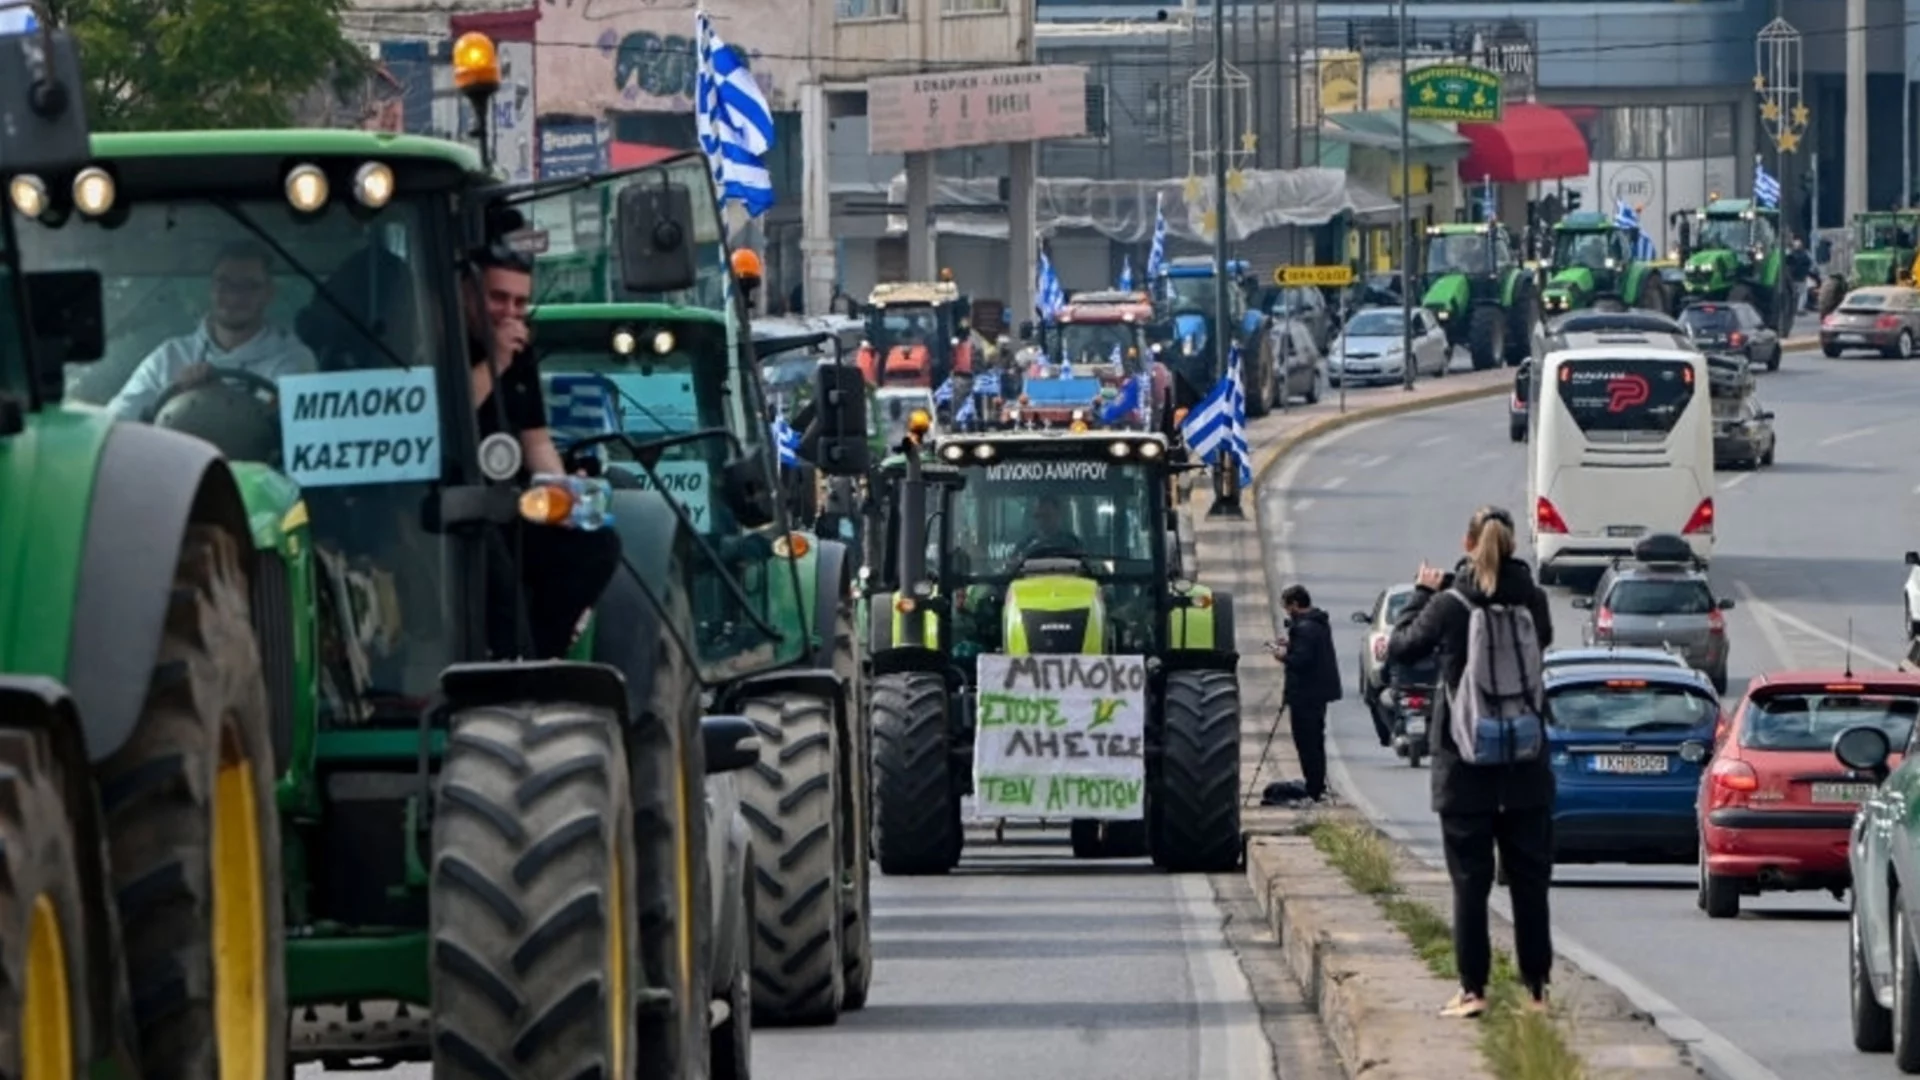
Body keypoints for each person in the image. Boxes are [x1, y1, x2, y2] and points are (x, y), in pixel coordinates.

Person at [1385, 505, 1555, 1018]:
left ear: (1468, 542)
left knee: (1470, 883)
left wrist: (1422, 592)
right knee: (1529, 883)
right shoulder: (1534, 599)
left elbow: (1400, 648)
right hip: (1525, 762)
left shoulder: (1451, 603)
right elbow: (1541, 644)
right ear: (1514, 546)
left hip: (1464, 764)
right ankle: (1536, 993)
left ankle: (1473, 990)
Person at [467, 244, 617, 659]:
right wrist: (496, 360)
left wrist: (563, 489)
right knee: (493, 570)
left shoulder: (521, 351)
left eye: (520, 302)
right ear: (469, 293)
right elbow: (450, 423)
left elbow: (535, 439)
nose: (510, 313)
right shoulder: (448, 343)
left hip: (511, 500)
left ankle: (544, 656)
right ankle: (510, 655)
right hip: (456, 502)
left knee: (595, 546)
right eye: (498, 299)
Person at [107, 241, 316, 419]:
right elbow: (117, 420)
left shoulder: (293, 360)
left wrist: (217, 396)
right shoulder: (170, 357)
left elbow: (299, 428)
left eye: (248, 286)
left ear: (269, 293)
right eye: (224, 284)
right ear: (211, 288)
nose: (234, 297)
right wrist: (174, 397)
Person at [1271, 585, 1342, 801]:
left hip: (1305, 695)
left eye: (1287, 607)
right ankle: (1317, 784)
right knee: (1316, 741)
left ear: (1295, 604)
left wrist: (1282, 656)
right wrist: (1292, 644)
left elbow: (1302, 661)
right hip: (1318, 694)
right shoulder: (1318, 623)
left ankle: (1314, 787)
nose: (1286, 612)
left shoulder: (1304, 628)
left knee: (1307, 743)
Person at [1016, 493, 1082, 557]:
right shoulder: (1025, 545)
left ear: (1058, 516)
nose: (1041, 520)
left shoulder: (1072, 544)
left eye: (1046, 516)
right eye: (1038, 516)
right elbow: (1013, 564)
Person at [1785, 236, 1813, 315]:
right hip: (1801, 277)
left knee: (1793, 293)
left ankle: (1792, 308)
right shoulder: (1805, 254)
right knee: (1802, 293)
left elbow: (1787, 264)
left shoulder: (1790, 254)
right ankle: (1799, 308)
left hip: (1792, 277)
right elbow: (1810, 263)